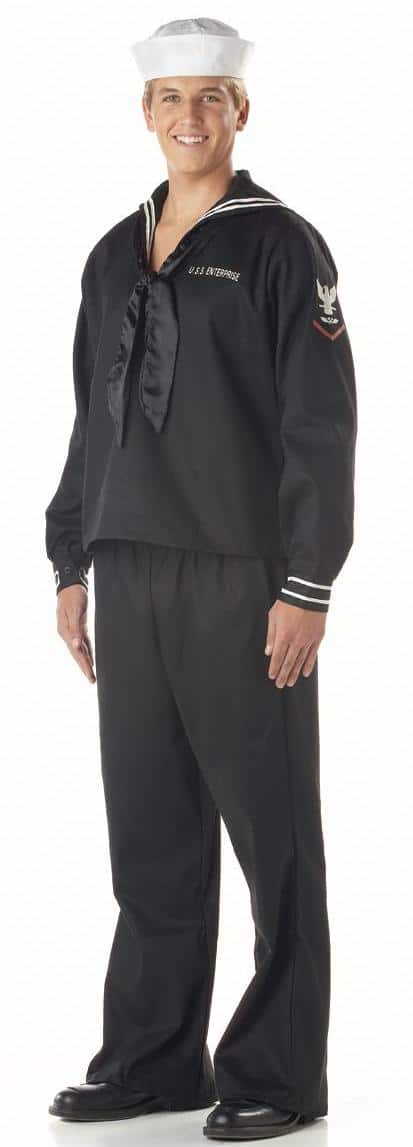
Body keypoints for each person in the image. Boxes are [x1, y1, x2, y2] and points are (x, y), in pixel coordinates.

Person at [45, 17, 357, 1141]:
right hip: (128, 569)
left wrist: (305, 583)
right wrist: (70, 560)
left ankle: (277, 1073)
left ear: (239, 111)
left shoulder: (280, 246)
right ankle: (151, 1059)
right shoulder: (108, 255)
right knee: (151, 831)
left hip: (239, 576)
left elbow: (321, 423)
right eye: (170, 98)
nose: (189, 116)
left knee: (272, 836)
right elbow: (89, 419)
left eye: (208, 98)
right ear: (145, 112)